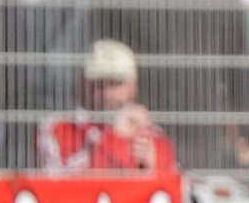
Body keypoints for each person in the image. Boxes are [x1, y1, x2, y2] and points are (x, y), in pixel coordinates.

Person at [38, 38, 178, 174]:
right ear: (82, 83)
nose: (106, 92)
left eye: (115, 83)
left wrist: (152, 167)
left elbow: (174, 189)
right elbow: (57, 185)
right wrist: (115, 136)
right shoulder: (57, 127)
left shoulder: (151, 135)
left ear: (133, 86)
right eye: (99, 82)